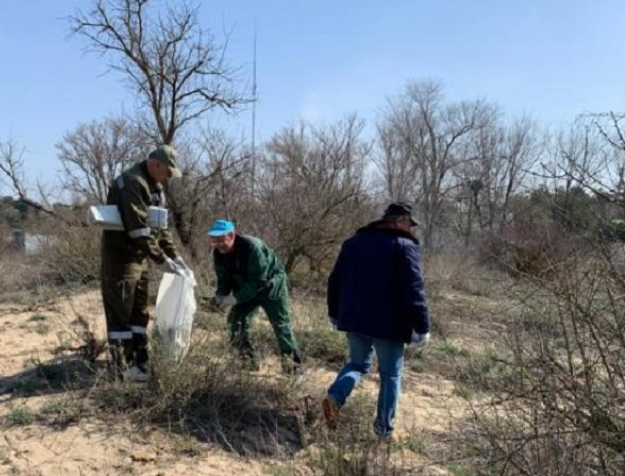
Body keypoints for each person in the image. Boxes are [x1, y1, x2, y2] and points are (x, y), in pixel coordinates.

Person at [323, 202, 430, 441]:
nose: (411, 230)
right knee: (390, 375)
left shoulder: (353, 243)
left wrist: (334, 312)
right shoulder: (404, 247)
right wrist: (422, 327)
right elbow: (415, 289)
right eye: (410, 225)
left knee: (357, 364)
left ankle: (334, 398)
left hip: (354, 318)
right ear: (401, 221)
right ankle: (384, 431)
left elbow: (335, 279)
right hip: (389, 325)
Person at [101, 144, 189, 382]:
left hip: (140, 258)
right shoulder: (132, 181)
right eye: (168, 171)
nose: (169, 177)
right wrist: (160, 259)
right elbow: (138, 228)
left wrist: (173, 255)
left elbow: (160, 226)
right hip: (121, 259)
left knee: (139, 312)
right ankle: (125, 367)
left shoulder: (155, 186)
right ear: (156, 164)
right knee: (122, 311)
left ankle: (141, 361)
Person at [209, 219, 303, 374]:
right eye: (214, 240)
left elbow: (259, 281)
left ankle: (293, 368)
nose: (218, 244)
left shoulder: (252, 247)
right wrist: (221, 296)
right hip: (246, 289)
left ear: (231, 235)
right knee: (235, 322)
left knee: (281, 326)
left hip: (271, 287)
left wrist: (235, 299)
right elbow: (223, 278)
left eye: (220, 240)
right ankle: (249, 362)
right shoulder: (219, 254)